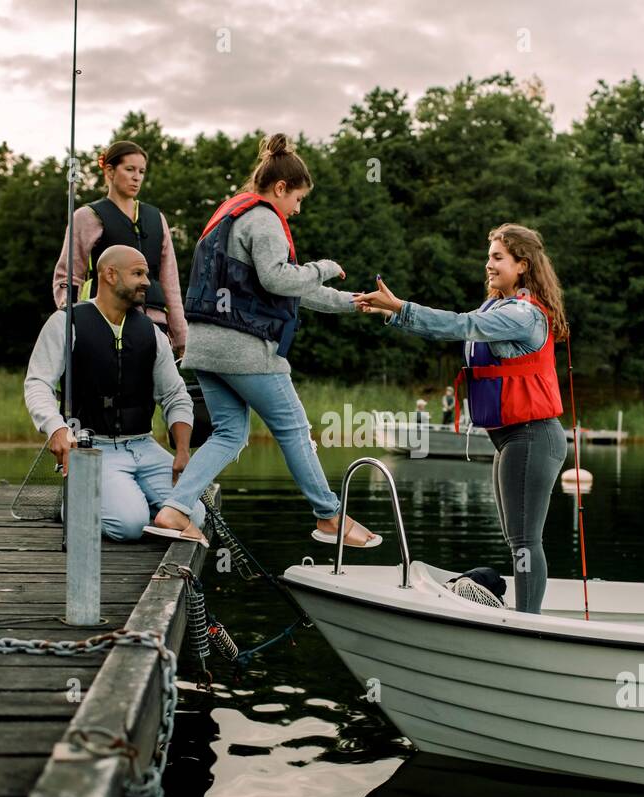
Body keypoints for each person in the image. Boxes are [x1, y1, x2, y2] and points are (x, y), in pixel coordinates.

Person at [147, 133, 381, 549]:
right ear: (280, 189)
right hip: (245, 350)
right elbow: (280, 277)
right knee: (293, 429)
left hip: (206, 348)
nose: (297, 208)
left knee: (229, 434)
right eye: (298, 199)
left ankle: (175, 508)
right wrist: (324, 266)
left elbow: (287, 288)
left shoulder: (228, 216)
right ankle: (329, 515)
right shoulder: (266, 219)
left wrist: (354, 303)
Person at [356, 224, 569, 613]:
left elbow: (460, 325)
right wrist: (396, 314)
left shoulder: (523, 316)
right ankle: (525, 615)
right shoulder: (500, 307)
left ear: (522, 266)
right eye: (489, 256)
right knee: (516, 539)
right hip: (509, 439)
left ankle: (527, 623)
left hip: (533, 436)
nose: (488, 264)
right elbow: (460, 326)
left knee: (525, 540)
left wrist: (401, 308)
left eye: (497, 257)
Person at [25, 245, 207, 544]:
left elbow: (175, 395)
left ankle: (125, 501)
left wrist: (183, 450)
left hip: (145, 446)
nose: (147, 281)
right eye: (138, 273)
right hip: (94, 449)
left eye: (147, 274)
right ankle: (76, 504)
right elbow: (37, 383)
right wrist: (55, 427)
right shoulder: (65, 322)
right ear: (110, 275)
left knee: (195, 514)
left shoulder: (152, 332)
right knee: (129, 526)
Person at [53, 140, 188, 359]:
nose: (137, 177)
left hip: (155, 326)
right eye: (129, 169)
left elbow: (170, 283)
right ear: (109, 171)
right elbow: (68, 276)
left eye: (142, 171)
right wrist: (71, 320)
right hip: (103, 323)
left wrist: (181, 337)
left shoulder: (156, 218)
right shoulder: (86, 217)